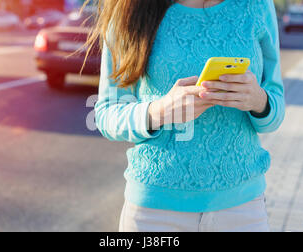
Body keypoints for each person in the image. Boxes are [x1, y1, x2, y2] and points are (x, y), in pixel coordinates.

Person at [84, 0, 285, 232]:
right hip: (155, 213)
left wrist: (259, 100)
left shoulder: (257, 5)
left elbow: (276, 109)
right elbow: (107, 114)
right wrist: (159, 111)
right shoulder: (129, 7)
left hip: (242, 211)